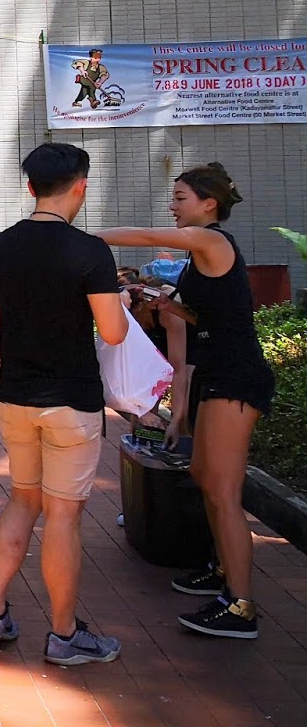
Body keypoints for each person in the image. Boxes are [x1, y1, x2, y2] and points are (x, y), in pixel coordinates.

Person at [100, 162, 273, 640]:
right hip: (214, 372)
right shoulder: (204, 253)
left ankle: (241, 606)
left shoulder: (211, 240)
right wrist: (171, 307)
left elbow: (138, 234)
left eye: (180, 198)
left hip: (235, 377)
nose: (173, 207)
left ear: (208, 203)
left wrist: (83, 237)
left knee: (222, 491)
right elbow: (211, 316)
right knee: (201, 475)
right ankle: (221, 571)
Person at [0, 143, 126, 665]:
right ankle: (64, 634)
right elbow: (113, 330)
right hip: (72, 401)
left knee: (22, 498)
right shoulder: (90, 252)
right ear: (80, 185)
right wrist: (118, 301)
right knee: (62, 516)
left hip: (16, 396)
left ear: (31, 187)